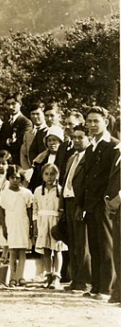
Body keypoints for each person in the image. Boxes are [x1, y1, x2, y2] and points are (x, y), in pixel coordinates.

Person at [74, 106, 120, 301]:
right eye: (89, 121)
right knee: (94, 245)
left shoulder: (113, 146)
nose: (92, 125)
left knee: (107, 245)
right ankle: (97, 285)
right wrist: (81, 205)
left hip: (105, 204)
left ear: (106, 122)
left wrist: (108, 201)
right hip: (91, 205)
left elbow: (114, 179)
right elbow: (86, 178)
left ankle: (107, 288)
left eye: (96, 121)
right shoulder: (91, 146)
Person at [62, 125, 91, 293]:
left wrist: (83, 205)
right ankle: (75, 279)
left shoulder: (89, 157)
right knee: (72, 242)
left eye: (81, 137)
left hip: (80, 203)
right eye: (75, 138)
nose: (77, 141)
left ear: (88, 139)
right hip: (68, 202)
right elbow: (65, 181)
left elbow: (87, 184)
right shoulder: (72, 158)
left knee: (82, 243)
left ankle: (85, 281)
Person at [34, 163, 66, 289]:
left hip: (55, 222)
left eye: (52, 174)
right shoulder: (37, 191)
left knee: (57, 249)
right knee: (46, 249)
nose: (49, 177)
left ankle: (56, 277)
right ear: (42, 176)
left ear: (57, 175)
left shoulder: (60, 190)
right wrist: (35, 225)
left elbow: (63, 209)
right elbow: (35, 209)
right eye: (46, 174)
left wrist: (61, 225)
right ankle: (48, 274)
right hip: (42, 221)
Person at [0, 168, 34, 286]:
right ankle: (12, 277)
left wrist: (31, 226)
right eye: (12, 177)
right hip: (10, 222)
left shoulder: (27, 193)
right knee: (13, 250)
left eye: (17, 178)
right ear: (8, 178)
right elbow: (2, 211)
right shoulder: (4, 193)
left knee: (22, 250)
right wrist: (4, 227)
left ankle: (21, 276)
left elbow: (30, 210)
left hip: (23, 222)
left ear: (21, 178)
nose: (15, 180)